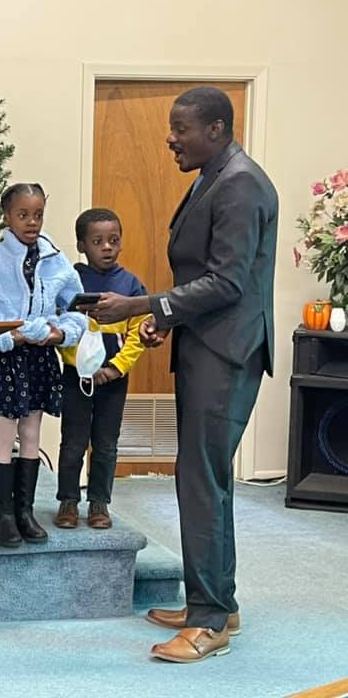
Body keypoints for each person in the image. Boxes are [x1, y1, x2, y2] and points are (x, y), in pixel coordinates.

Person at [88, 86, 278, 663]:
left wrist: (144, 307)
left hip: (226, 352)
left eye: (181, 128)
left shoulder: (240, 183)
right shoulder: (213, 176)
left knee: (200, 479)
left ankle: (209, 620)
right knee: (203, 476)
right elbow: (208, 275)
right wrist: (167, 323)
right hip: (207, 342)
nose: (170, 137)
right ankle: (219, 601)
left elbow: (228, 283)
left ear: (216, 129)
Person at [0, 183, 87, 547]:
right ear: (7, 216)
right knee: (5, 433)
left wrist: (59, 333)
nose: (31, 222)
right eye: (23, 215)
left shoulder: (56, 259)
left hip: (40, 356)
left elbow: (76, 307)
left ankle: (25, 511)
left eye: (38, 215)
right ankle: (1, 514)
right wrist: (8, 337)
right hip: (6, 358)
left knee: (32, 432)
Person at [55, 208, 147, 530]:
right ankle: (68, 501)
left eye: (113, 240)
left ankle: (99, 503)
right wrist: (76, 363)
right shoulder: (70, 280)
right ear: (82, 245)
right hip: (76, 378)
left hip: (113, 379)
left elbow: (139, 333)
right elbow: (63, 325)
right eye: (97, 241)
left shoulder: (131, 285)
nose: (107, 247)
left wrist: (116, 368)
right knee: (73, 442)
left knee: (106, 443)